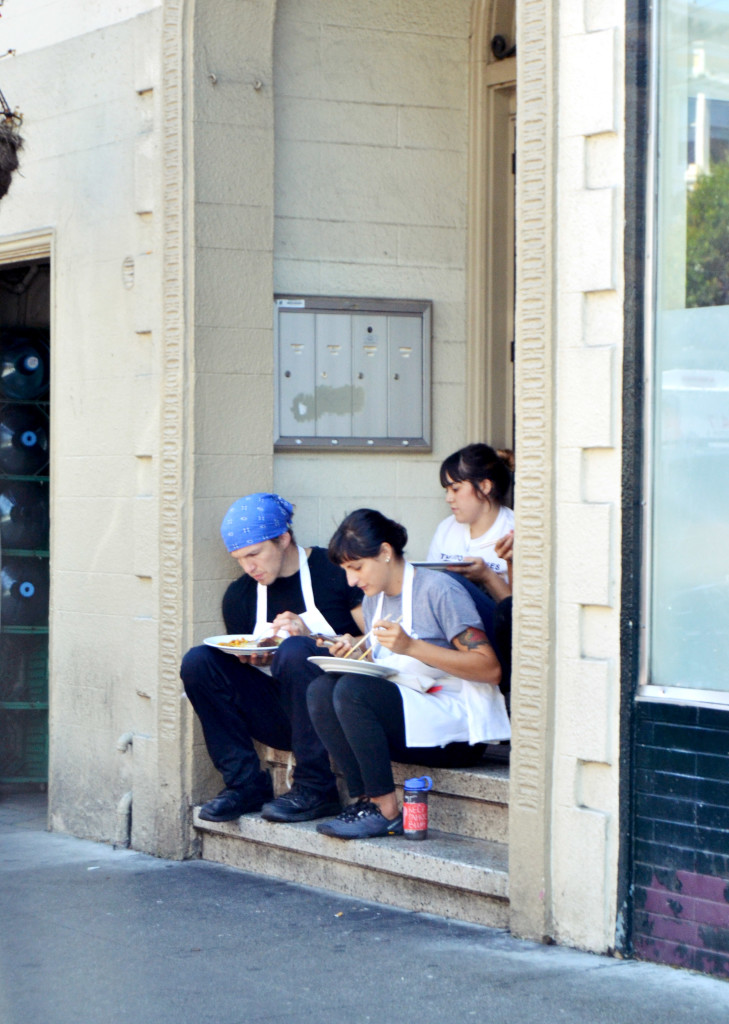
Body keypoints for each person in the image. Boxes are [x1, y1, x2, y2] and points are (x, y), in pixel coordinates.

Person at [307, 508, 510, 840]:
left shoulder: (439, 590)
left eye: (356, 567)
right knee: (321, 688)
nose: (352, 581)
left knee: (351, 692)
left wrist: (412, 646)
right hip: (416, 715)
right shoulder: (376, 599)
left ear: (385, 552)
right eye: (346, 570)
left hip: (458, 733)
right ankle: (364, 802)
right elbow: (391, 662)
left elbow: (489, 668)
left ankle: (386, 810)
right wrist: (356, 649)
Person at [180, 493, 364, 824]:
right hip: (282, 713)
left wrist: (311, 637)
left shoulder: (337, 572)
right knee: (199, 661)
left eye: (254, 554)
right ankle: (245, 784)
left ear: (283, 538)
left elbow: (377, 646)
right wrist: (251, 659)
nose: (249, 567)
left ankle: (316, 788)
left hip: (340, 711)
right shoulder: (240, 596)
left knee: (294, 650)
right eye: (239, 559)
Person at [426, 443, 515, 700]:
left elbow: (519, 614)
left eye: (455, 489)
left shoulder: (512, 530)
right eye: (446, 490)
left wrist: (487, 575)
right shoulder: (447, 529)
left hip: (496, 641)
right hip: (451, 634)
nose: (448, 498)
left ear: (484, 487)